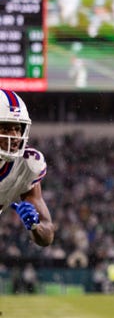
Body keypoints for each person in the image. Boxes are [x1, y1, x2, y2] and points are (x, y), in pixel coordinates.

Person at [0, 89, 55, 247]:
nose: (15, 137)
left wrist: (35, 226)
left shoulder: (26, 165)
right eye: (5, 129)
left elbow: (48, 234)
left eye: (17, 129)